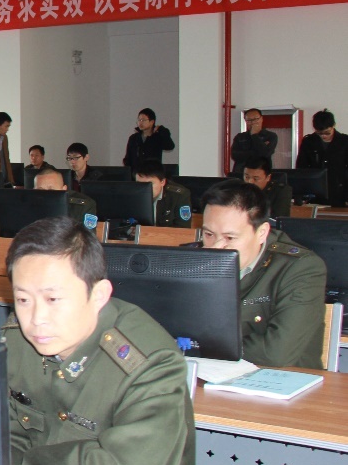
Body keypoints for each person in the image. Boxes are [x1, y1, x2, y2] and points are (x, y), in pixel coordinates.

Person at [5, 217, 195, 465]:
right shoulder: (18, 339)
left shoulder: (150, 363)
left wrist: (36, 461)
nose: (36, 318)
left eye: (53, 299)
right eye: (23, 300)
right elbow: (4, 433)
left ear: (99, 295)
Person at [201, 181, 327, 368]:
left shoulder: (301, 268)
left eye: (230, 238)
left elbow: (276, 353)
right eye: (209, 234)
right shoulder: (193, 261)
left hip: (281, 379)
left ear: (262, 233)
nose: (217, 247)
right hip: (209, 373)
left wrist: (199, 346)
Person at [296, 108, 348, 207]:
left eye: (327, 133)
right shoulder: (309, 141)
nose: (323, 136)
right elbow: (301, 168)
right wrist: (301, 195)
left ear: (333, 126)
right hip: (314, 194)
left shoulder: (344, 141)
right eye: (319, 133)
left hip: (339, 193)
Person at [33, 166, 98, 230]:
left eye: (51, 190)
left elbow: (87, 235)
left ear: (64, 189)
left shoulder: (83, 206)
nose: (46, 194)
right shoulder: (29, 205)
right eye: (40, 190)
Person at [133, 161, 192, 228]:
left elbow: (183, 228)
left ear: (162, 182)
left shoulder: (179, 195)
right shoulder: (131, 194)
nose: (145, 188)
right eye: (140, 184)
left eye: (150, 184)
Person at [231, 108, 278, 176]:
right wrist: (257, 152)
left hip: (261, 174)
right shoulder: (240, 137)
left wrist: (254, 135)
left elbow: (265, 154)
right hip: (241, 173)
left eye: (256, 119)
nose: (253, 122)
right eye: (249, 120)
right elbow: (235, 155)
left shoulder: (270, 136)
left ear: (261, 119)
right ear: (246, 121)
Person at [243, 154, 291, 219]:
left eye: (256, 178)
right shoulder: (239, 189)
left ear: (268, 177)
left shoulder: (281, 191)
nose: (250, 181)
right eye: (247, 177)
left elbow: (279, 218)